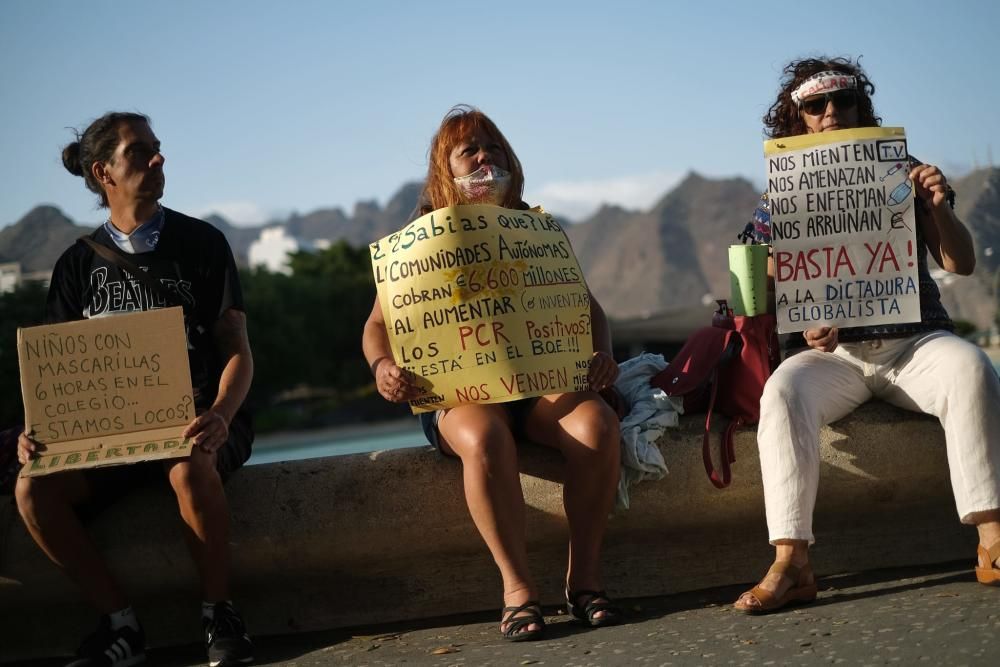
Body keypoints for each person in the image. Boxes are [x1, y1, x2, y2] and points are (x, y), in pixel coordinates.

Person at [734, 57, 1000, 614]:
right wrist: (803, 310)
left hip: (915, 342)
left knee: (972, 369)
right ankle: (791, 560)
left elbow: (962, 261)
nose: (832, 112)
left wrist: (936, 207)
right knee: (782, 394)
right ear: (797, 118)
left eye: (845, 100)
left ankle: (992, 538)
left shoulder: (905, 171)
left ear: (861, 106)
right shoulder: (781, 196)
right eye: (815, 105)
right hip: (837, 359)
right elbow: (752, 286)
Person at [362, 106, 623, 640]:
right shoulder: (418, 239)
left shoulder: (537, 228)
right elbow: (377, 325)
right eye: (469, 151)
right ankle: (518, 591)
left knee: (596, 426)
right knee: (483, 440)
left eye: (494, 148)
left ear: (511, 162)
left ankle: (586, 580)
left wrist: (601, 356)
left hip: (539, 385)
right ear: (446, 169)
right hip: (460, 390)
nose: (485, 157)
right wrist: (383, 367)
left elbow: (588, 309)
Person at [15, 111, 255, 667]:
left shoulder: (202, 242)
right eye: (140, 151)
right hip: (112, 436)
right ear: (104, 173)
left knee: (191, 463)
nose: (158, 158)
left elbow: (237, 348)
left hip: (198, 419)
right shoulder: (75, 265)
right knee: (33, 490)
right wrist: (38, 432)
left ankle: (220, 613)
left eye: (158, 147)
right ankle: (120, 625)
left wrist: (220, 414)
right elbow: (57, 375)